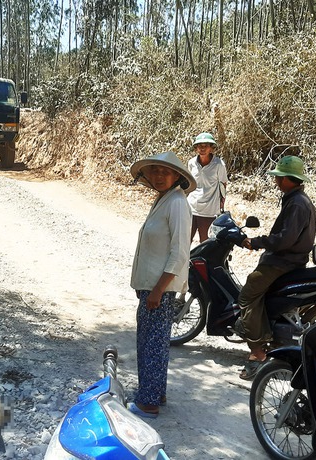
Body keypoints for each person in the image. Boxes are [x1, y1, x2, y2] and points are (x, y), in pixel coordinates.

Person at [235, 155, 316, 380]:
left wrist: (257, 242)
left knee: (247, 295)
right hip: (288, 260)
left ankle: (257, 352)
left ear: (291, 179)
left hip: (283, 262)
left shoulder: (298, 203)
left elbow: (284, 240)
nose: (277, 181)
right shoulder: (296, 199)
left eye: (280, 177)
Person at [128, 151, 195, 418]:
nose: (158, 176)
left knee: (152, 343)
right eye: (154, 171)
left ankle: (148, 402)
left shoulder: (177, 203)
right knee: (153, 342)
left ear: (177, 176)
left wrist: (157, 290)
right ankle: (156, 392)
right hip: (153, 287)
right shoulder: (164, 200)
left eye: (164, 172)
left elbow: (179, 253)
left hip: (161, 288)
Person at [187, 133, 228, 242]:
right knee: (184, 240)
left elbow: (223, 184)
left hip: (208, 210)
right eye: (200, 146)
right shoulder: (191, 163)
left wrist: (221, 206)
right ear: (196, 148)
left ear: (211, 148)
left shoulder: (219, 165)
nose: (202, 148)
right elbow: (189, 184)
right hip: (191, 207)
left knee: (205, 242)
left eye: (206, 146)